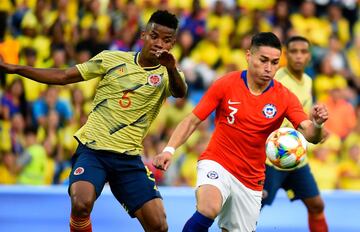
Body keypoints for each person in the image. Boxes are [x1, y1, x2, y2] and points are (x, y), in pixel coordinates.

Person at [0, 10, 187, 232]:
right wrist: (17, 69)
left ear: (172, 44)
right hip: (93, 150)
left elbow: (180, 92)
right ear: (143, 35)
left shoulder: (169, 75)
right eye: (154, 36)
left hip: (128, 158)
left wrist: (171, 67)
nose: (158, 44)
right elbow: (63, 77)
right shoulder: (112, 59)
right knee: (81, 203)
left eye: (166, 40)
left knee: (159, 225)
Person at [153, 32, 328, 232]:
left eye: (274, 62)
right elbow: (192, 120)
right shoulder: (226, 84)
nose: (268, 68)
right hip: (218, 162)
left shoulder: (285, 97)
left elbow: (310, 134)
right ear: (248, 56)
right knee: (208, 208)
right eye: (263, 60)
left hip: (252, 178)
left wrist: (318, 124)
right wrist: (169, 150)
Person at [261, 36, 329, 232]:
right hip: (271, 159)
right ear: (286, 55)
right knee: (253, 208)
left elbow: (302, 115)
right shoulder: (276, 82)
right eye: (294, 51)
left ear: (309, 56)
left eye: (303, 51)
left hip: (298, 158)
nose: (299, 56)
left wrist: (317, 127)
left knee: (317, 205)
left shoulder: (308, 81)